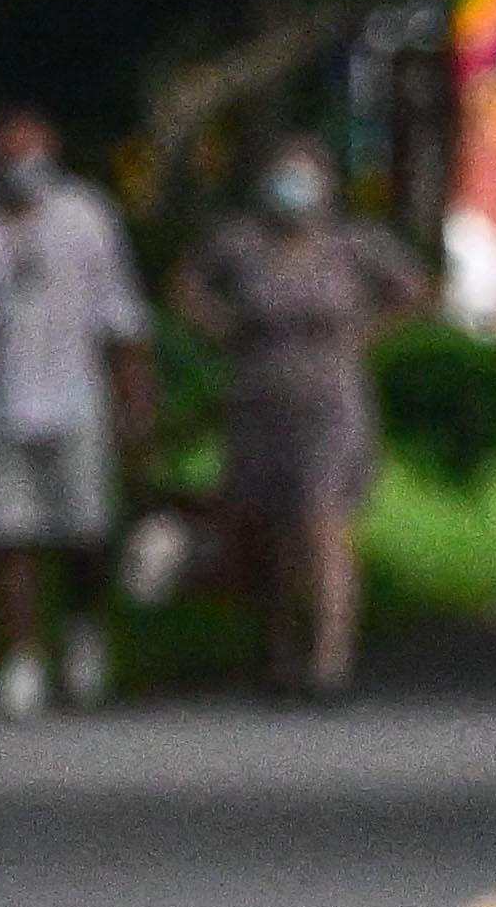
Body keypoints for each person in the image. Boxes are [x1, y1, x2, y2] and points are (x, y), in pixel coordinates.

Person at [0, 107, 155, 715]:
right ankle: (19, 658)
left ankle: (84, 633)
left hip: (76, 404)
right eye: (9, 153)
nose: (22, 167)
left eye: (31, 151)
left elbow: (120, 313)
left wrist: (136, 394)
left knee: (84, 534)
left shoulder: (87, 217)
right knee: (5, 535)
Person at [173, 139, 438, 695]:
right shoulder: (243, 243)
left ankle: (330, 659)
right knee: (268, 529)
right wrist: (220, 328)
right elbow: (187, 288)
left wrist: (370, 331)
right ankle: (275, 647)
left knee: (324, 519)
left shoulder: (353, 244)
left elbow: (416, 289)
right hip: (258, 395)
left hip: (332, 397)